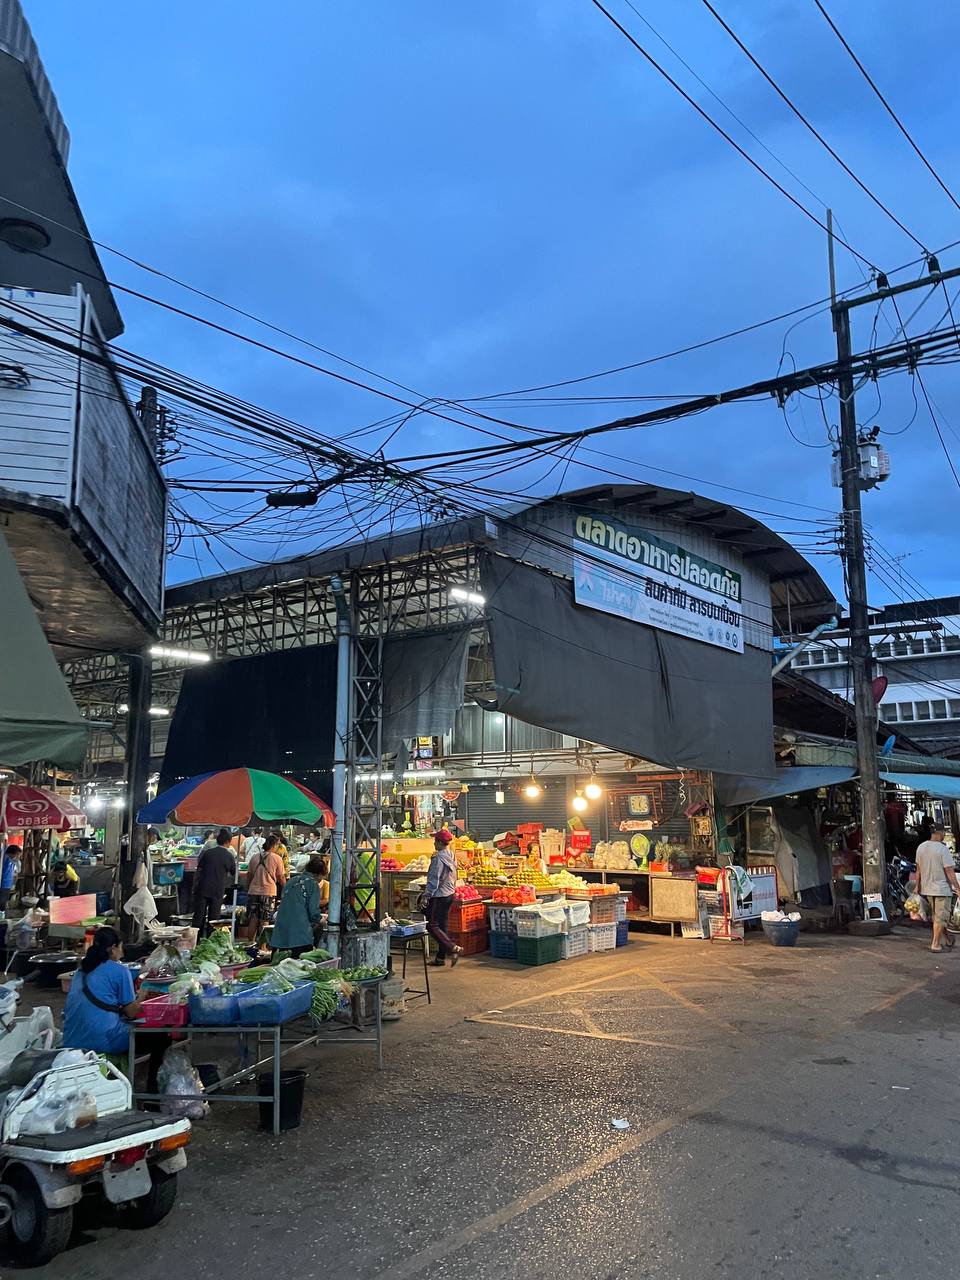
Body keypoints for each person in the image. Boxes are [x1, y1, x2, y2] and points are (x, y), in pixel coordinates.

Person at [63, 926, 168, 1087]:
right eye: (121, 947)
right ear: (112, 949)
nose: (123, 953)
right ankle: (151, 1093)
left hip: (71, 1039)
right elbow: (132, 1012)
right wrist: (142, 997)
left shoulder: (80, 972)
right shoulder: (119, 971)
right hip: (103, 1039)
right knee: (161, 1038)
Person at [915, 825, 960, 953]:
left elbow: (918, 870)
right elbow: (949, 871)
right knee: (940, 917)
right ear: (941, 833)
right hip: (941, 889)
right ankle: (935, 944)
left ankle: (948, 939)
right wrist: (958, 888)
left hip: (927, 888)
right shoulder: (942, 849)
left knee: (937, 917)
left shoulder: (921, 847)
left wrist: (917, 886)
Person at [270, 854, 325, 957]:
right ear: (319, 874)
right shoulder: (313, 884)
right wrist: (322, 921)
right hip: (299, 937)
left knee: (278, 966)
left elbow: (284, 899)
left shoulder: (291, 881)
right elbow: (313, 913)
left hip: (281, 933)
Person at [423, 828, 462, 968]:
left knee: (431, 925)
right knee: (442, 924)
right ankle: (440, 957)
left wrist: (427, 895)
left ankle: (452, 948)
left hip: (439, 895)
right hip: (449, 894)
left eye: (435, 841)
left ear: (440, 842)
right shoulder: (451, 855)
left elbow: (434, 879)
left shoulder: (438, 858)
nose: (434, 844)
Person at [192, 827, 237, 936]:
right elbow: (233, 872)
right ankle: (210, 940)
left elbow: (199, 870)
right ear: (228, 842)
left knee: (198, 918)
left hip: (202, 889)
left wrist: (194, 886)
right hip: (217, 891)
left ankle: (194, 942)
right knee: (214, 920)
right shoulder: (229, 856)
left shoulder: (208, 853)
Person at [245, 833, 287, 939]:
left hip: (253, 891)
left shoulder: (254, 857)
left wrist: (248, 887)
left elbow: (249, 875)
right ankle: (262, 947)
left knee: (253, 919)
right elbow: (281, 877)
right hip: (268, 892)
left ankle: (251, 943)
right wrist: (286, 887)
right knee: (265, 920)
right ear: (273, 846)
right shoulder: (277, 858)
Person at [0, 844, 20, 910]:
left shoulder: (12, 861)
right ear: (11, 853)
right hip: (3, 885)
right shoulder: (5, 859)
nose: (18, 856)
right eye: (17, 854)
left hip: (7, 885)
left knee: (3, 903)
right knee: (2, 904)